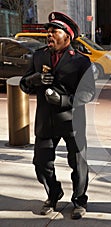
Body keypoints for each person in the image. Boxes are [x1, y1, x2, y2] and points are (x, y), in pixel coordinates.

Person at [20, 11, 96, 219]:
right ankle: (54, 193)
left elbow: (89, 92)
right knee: (41, 164)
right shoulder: (39, 56)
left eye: (55, 31)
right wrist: (35, 79)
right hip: (46, 121)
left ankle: (80, 200)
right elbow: (24, 84)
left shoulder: (81, 61)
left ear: (67, 37)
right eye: (48, 31)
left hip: (72, 121)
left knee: (78, 165)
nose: (49, 35)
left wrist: (64, 101)